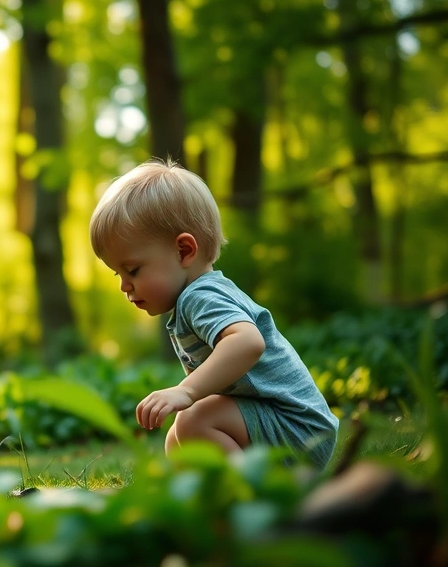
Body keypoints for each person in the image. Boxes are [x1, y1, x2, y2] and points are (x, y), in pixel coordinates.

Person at [89, 158, 339, 469]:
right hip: (285, 426)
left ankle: (252, 499)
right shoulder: (193, 300)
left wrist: (186, 392)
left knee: (193, 419)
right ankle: (209, 500)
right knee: (178, 437)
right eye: (118, 275)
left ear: (184, 251)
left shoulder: (201, 296)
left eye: (133, 270)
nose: (125, 286)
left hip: (297, 429)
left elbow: (248, 342)